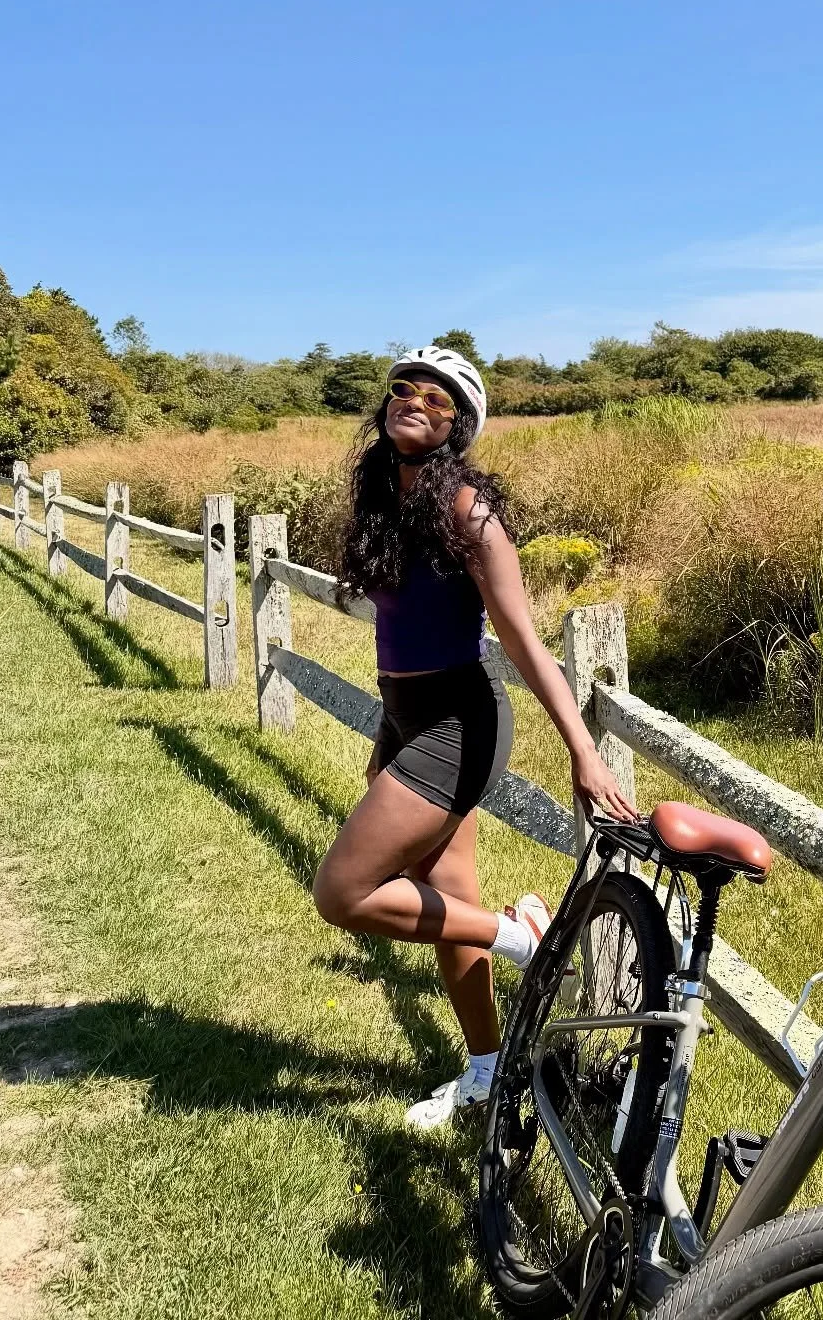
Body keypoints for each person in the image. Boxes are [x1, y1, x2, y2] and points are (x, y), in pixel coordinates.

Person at [312, 346, 637, 1129]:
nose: (413, 402)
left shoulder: (469, 511)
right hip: (408, 717)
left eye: (439, 399)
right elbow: (398, 630)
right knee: (443, 903)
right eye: (402, 389)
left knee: (344, 893)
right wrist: (387, 732)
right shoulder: (386, 498)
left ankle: (522, 934)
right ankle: (489, 1069)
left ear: (462, 426)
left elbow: (523, 641)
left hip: (461, 726)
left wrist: (582, 751)